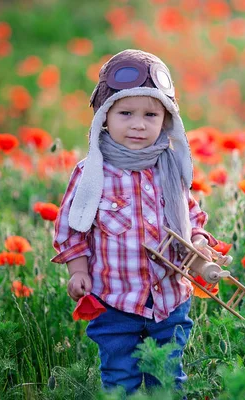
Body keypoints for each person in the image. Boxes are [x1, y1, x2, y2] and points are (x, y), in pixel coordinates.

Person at [51, 49, 217, 394]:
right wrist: (78, 271)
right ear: (104, 117)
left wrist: (199, 243)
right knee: (120, 379)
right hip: (115, 301)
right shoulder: (92, 173)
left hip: (170, 298)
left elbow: (193, 216)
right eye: (126, 113)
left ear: (166, 120)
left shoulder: (169, 168)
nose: (139, 124)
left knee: (167, 380)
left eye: (150, 114)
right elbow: (72, 228)